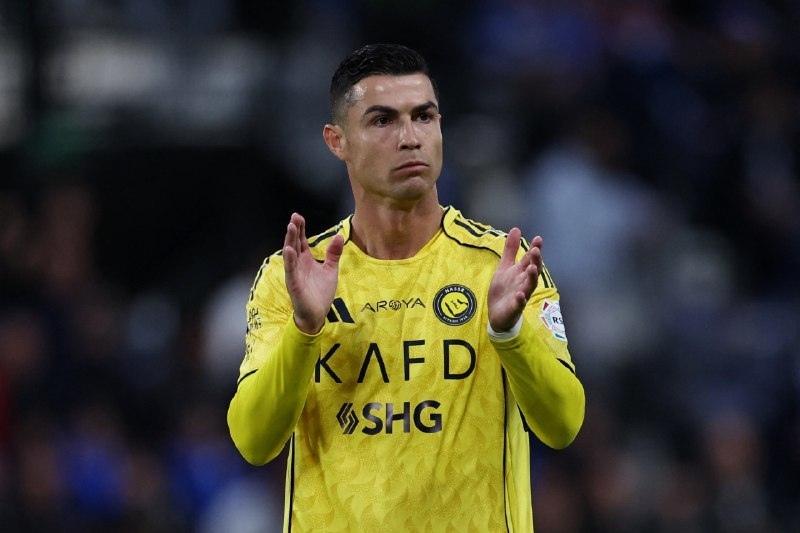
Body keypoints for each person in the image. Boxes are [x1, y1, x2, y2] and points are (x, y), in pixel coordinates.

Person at [227, 43, 585, 532]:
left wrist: (509, 334)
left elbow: (564, 426)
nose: (411, 138)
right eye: (383, 121)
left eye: (423, 116)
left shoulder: (501, 266)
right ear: (337, 141)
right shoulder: (292, 276)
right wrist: (305, 330)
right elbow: (253, 441)